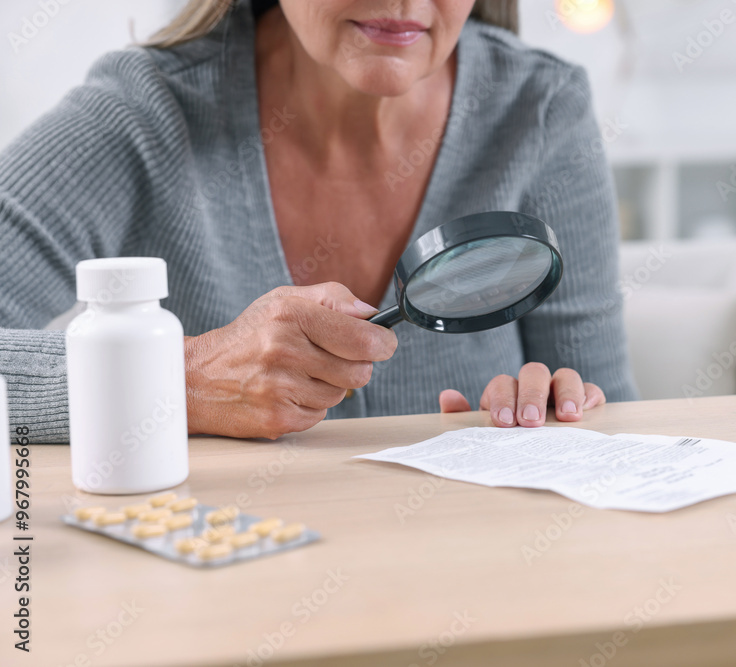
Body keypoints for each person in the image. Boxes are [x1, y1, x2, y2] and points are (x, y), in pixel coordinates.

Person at [0, 0, 637, 444]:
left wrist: (551, 422)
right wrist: (183, 380)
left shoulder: (542, 109)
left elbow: (615, 421)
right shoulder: (142, 117)